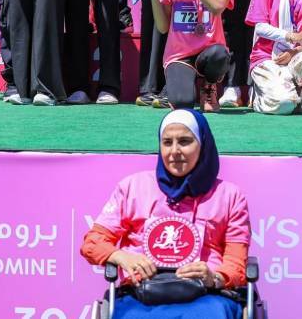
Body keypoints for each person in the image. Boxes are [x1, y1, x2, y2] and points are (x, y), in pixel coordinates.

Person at [80, 109, 251, 319]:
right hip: (141, 292)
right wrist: (122, 257)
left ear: (203, 144)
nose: (174, 151)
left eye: (185, 141)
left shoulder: (230, 196)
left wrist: (215, 278)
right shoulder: (133, 187)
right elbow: (92, 243)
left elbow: (236, 265)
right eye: (167, 142)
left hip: (207, 294)